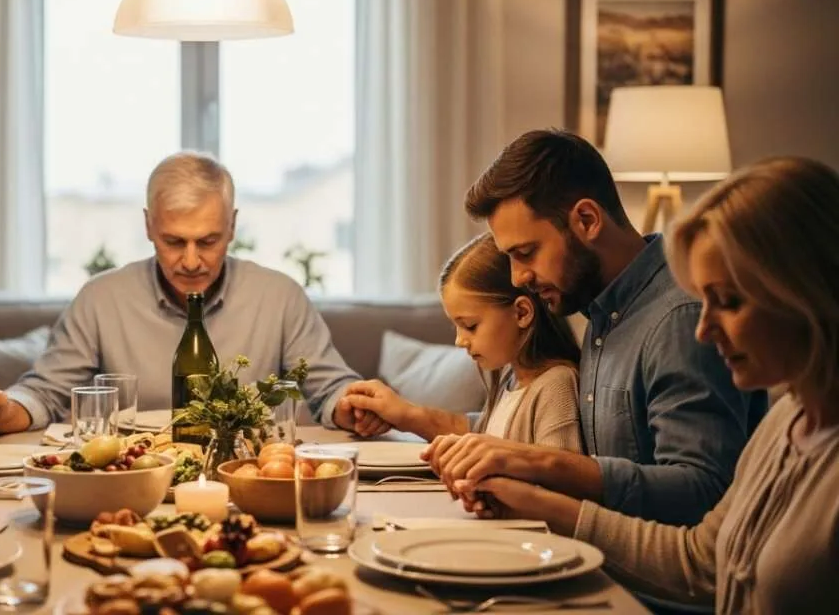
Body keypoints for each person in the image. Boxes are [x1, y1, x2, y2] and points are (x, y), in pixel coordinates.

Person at [454, 157, 839, 614]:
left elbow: (698, 494)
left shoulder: (674, 319)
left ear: (805, 292)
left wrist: (545, 470)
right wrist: (537, 504)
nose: (704, 328)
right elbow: (701, 560)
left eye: (729, 301)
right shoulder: (786, 423)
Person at [424, 129, 766, 527]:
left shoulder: (679, 319)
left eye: (526, 252)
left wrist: (541, 463)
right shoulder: (601, 314)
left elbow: (702, 492)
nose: (518, 277)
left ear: (587, 220)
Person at [0, 151, 370, 436]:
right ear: (149, 226)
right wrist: (4, 410)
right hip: (132, 480)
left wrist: (351, 407)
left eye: (207, 241)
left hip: (249, 475)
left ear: (233, 226)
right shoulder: (101, 299)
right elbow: (46, 392)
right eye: (173, 241)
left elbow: (329, 388)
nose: (191, 262)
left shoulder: (280, 296)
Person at [342, 232, 583, 451]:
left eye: (470, 326)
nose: (459, 341)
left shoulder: (556, 386)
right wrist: (404, 415)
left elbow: (559, 477)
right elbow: (488, 439)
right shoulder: (511, 380)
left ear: (521, 313)